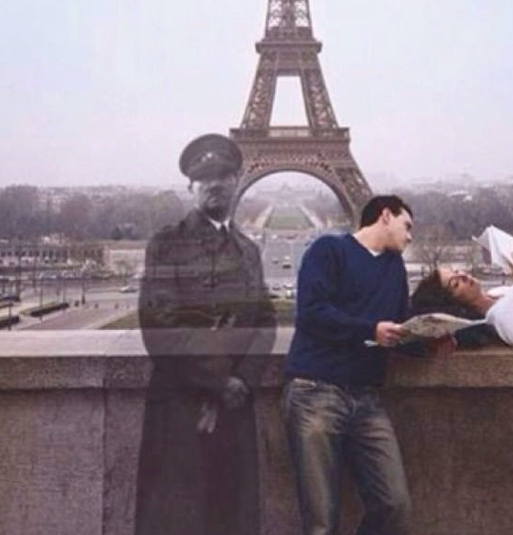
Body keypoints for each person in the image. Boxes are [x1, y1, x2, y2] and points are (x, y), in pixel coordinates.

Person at [282, 194, 452, 535]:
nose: (411, 236)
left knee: (394, 505)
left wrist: (429, 339)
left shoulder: (393, 268)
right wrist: (370, 329)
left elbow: (398, 326)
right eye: (407, 225)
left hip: (367, 398)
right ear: (385, 216)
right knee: (320, 523)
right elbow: (312, 313)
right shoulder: (327, 250)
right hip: (315, 392)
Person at [134, 133, 276, 535]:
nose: (215, 184)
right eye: (205, 177)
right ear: (191, 187)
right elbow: (159, 327)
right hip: (182, 404)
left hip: (234, 404)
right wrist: (218, 382)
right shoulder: (166, 244)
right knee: (180, 518)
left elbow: (264, 323)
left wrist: (242, 383)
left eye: (224, 175)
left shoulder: (248, 251)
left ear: (237, 181)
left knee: (232, 516)